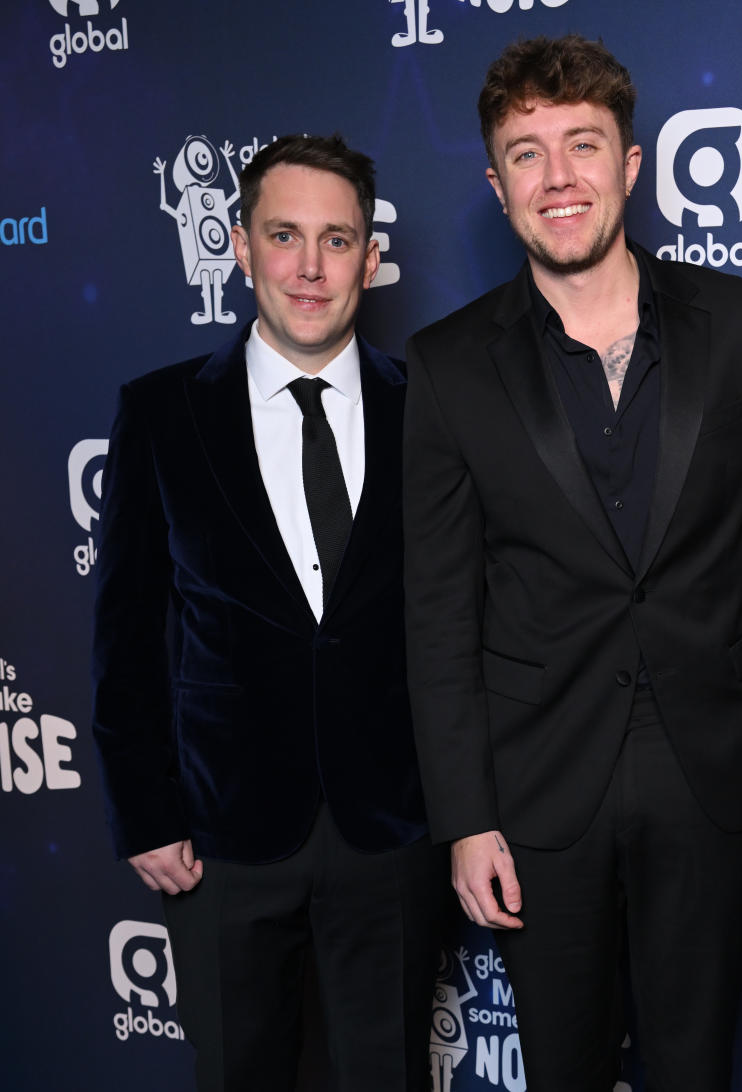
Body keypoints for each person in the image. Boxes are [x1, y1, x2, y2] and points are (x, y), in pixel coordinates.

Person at [402, 35, 742, 1091]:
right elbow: (438, 610)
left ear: (631, 167)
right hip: (538, 791)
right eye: (527, 154)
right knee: (565, 1070)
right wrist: (466, 819)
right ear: (498, 187)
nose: (560, 177)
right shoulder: (447, 367)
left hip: (712, 778)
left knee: (692, 1066)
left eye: (584, 145)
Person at [92, 134, 441, 1092]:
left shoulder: (433, 412)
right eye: (284, 235)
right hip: (220, 839)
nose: (310, 267)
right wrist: (144, 810)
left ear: (370, 258)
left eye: (337, 240)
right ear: (240, 246)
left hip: (391, 829)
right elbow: (126, 637)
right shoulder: (162, 413)